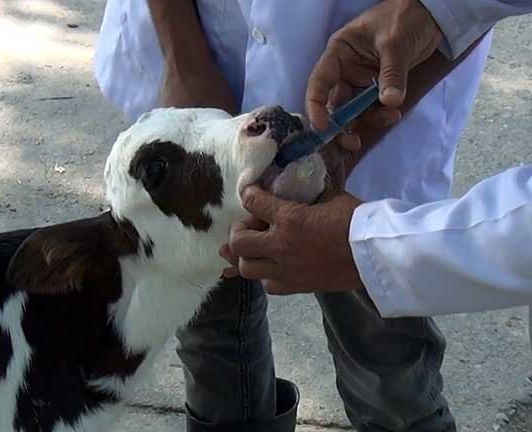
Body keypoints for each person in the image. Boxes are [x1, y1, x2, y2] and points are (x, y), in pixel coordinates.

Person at [93, 1, 493, 431]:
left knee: (386, 355)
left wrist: (369, 119)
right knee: (213, 339)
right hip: (195, 88)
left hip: (367, 98)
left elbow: (462, 11)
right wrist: (184, 58)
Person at [223, 1, 532, 320]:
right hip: (223, 63)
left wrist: (368, 248)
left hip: (379, 179)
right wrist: (435, 12)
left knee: (380, 341)